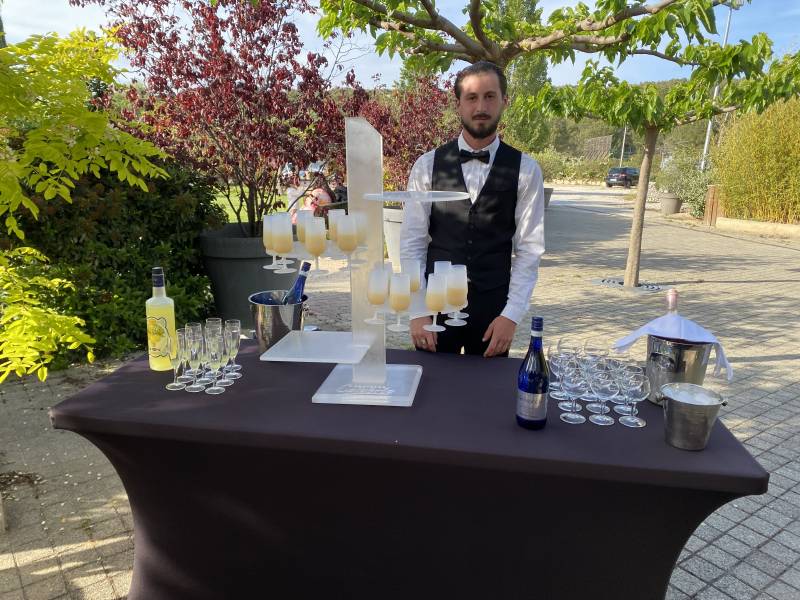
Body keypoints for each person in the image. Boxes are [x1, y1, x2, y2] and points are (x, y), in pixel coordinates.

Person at [400, 61, 545, 358]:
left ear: (504, 101)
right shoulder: (426, 165)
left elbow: (529, 249)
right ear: (459, 105)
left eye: (490, 96)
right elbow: (412, 243)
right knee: (432, 384)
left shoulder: (526, 170)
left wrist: (511, 315)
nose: (481, 107)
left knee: (488, 387)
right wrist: (417, 310)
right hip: (435, 308)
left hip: (494, 311)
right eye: (472, 97)